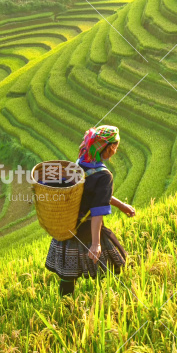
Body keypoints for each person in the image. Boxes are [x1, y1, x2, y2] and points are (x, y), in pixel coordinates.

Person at [45, 125, 136, 296]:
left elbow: (96, 194)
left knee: (67, 272)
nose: (116, 150)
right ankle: (113, 297)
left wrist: (121, 206)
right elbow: (97, 211)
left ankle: (65, 306)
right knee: (115, 263)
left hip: (68, 224)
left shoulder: (80, 162)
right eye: (115, 146)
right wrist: (96, 243)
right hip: (86, 228)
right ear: (109, 148)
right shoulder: (104, 176)